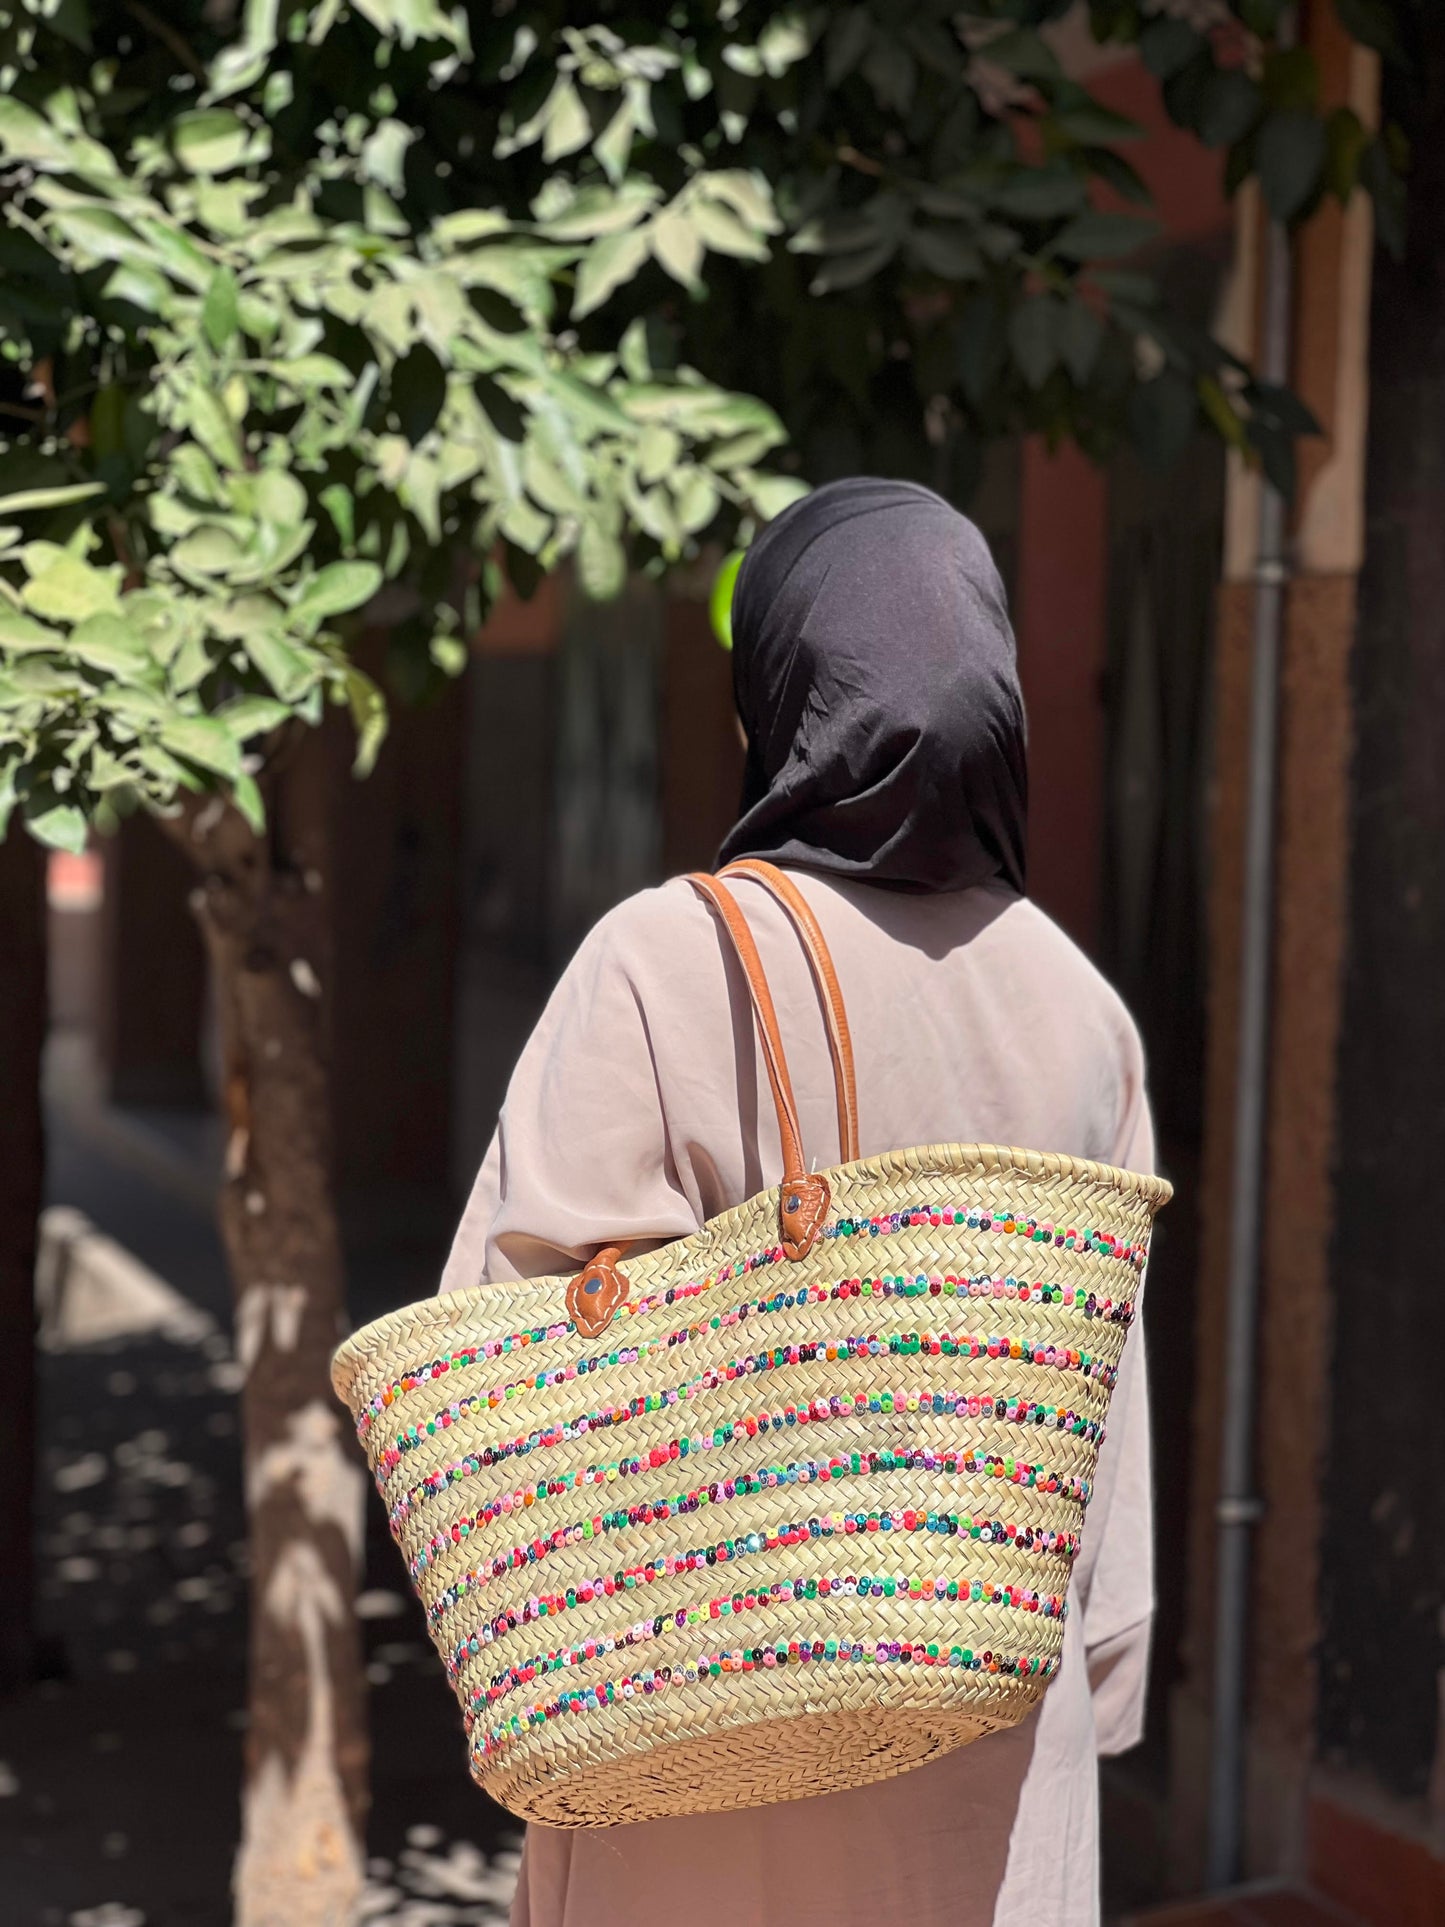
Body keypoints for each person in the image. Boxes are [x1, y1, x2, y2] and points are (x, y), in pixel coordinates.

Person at [441, 477, 1156, 1927]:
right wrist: (1096, 1680)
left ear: (774, 701)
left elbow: (494, 1358)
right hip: (998, 1745)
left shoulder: (665, 958)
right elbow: (1104, 1423)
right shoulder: (1083, 1010)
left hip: (717, 1750)